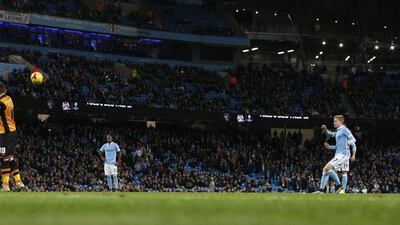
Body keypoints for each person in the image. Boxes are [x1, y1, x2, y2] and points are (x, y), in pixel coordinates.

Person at [315, 115, 356, 194]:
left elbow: (353, 142)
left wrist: (353, 154)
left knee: (330, 169)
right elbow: (331, 134)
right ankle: (321, 191)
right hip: (339, 154)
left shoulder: (345, 130)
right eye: (334, 121)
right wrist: (325, 129)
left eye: (335, 121)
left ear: (341, 121)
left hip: (343, 154)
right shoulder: (338, 131)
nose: (334, 122)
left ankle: (341, 187)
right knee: (325, 169)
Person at [0, 82, 26, 192]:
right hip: (10, 133)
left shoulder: (2, 103)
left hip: (5, 134)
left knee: (4, 158)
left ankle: (5, 185)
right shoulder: (8, 98)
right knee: (10, 158)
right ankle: (19, 183)